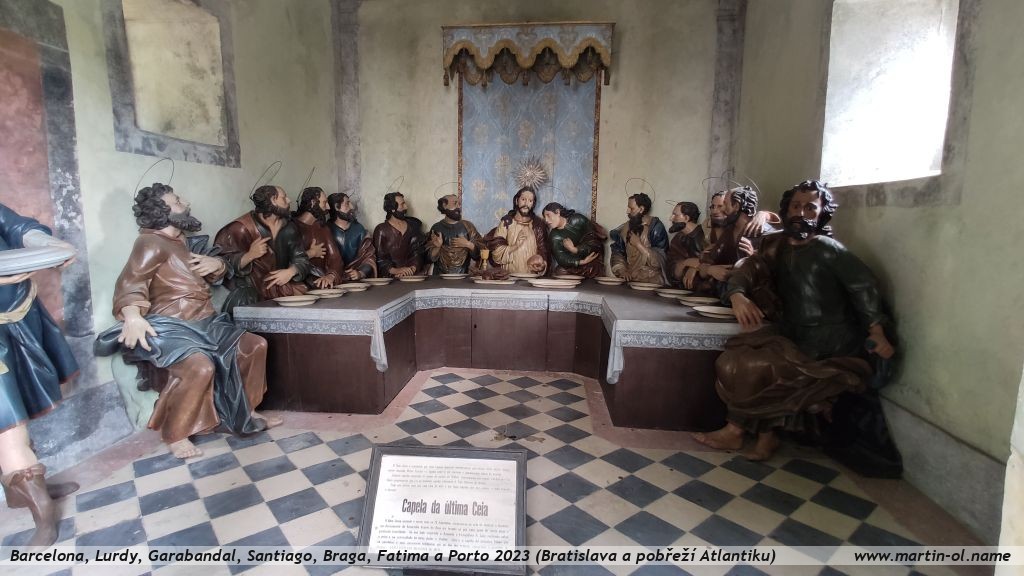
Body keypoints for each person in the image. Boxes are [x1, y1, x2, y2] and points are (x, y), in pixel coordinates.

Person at [694, 180, 896, 464]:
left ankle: (740, 431)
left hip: (829, 341)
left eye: (810, 208)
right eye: (796, 206)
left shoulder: (827, 249)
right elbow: (748, 267)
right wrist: (737, 294)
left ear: (822, 213)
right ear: (787, 210)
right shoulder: (776, 244)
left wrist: (877, 331)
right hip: (791, 332)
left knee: (757, 366)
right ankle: (762, 435)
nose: (801, 213)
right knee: (730, 360)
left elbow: (864, 287)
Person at [95, 184, 278, 462]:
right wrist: (132, 316)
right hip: (174, 326)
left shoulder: (183, 241)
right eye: (178, 201)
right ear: (162, 211)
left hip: (206, 321)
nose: (186, 203)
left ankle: (247, 411)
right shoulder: (150, 243)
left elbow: (216, 270)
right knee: (199, 366)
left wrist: (217, 266)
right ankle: (176, 434)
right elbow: (131, 282)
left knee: (254, 346)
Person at [0, 203, 79, 548]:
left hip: (16, 313)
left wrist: (46, 245)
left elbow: (16, 226)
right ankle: (42, 509)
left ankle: (24, 490)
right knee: (7, 419)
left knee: (16, 404)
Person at [215, 185, 311, 313]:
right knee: (246, 307)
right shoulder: (241, 228)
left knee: (305, 296)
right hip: (253, 291)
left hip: (281, 287)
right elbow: (220, 262)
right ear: (272, 200)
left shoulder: (289, 228)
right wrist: (249, 255)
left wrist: (291, 271)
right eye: (284, 198)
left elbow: (301, 258)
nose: (289, 200)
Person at [483, 186, 549, 275]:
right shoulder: (507, 222)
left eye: (530, 201)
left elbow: (544, 251)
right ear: (517, 201)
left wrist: (541, 263)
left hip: (532, 277)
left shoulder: (538, 225)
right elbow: (496, 252)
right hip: (509, 277)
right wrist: (515, 246)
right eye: (523, 199)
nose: (526, 204)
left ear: (533, 204)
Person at [609, 192, 668, 284]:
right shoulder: (625, 228)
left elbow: (662, 259)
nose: (627, 211)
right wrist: (622, 270)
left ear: (641, 209)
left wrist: (638, 245)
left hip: (652, 279)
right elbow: (618, 252)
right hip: (630, 277)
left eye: (631, 208)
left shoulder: (655, 227)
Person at [292, 187, 343, 289]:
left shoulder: (323, 229)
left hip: (321, 281)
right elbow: (286, 260)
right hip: (299, 282)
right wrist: (311, 253)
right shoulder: (292, 227)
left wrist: (331, 276)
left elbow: (335, 258)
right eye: (324, 203)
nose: (328, 207)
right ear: (313, 202)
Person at [541, 202, 604, 278]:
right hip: (576, 264)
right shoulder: (554, 236)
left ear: (557, 212)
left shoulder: (578, 219)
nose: (546, 220)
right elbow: (561, 258)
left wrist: (576, 250)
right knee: (560, 271)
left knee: (594, 267)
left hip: (591, 259)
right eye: (545, 217)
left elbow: (594, 239)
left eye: (548, 215)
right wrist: (581, 262)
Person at [373, 192, 427, 277]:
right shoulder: (381, 229)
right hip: (391, 277)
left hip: (413, 275)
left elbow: (418, 252)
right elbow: (380, 259)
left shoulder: (413, 226)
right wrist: (396, 271)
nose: (406, 207)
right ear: (392, 209)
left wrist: (412, 269)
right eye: (402, 204)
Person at [427, 194, 483, 274]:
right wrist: (437, 247)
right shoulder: (436, 228)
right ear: (444, 205)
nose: (458, 206)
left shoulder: (468, 227)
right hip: (440, 276)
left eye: (459, 204)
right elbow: (428, 258)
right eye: (455, 203)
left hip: (463, 275)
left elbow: (481, 253)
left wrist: (468, 244)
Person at [326, 192, 376, 280]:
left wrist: (361, 272)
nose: (352, 207)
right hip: (332, 278)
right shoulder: (326, 230)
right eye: (347, 203)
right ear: (337, 207)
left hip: (355, 278)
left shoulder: (359, 229)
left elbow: (369, 257)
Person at [665, 201, 706, 288]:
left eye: (675, 215)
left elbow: (711, 262)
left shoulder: (705, 236)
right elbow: (671, 268)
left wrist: (695, 267)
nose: (671, 218)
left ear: (686, 218)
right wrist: (687, 262)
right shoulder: (677, 238)